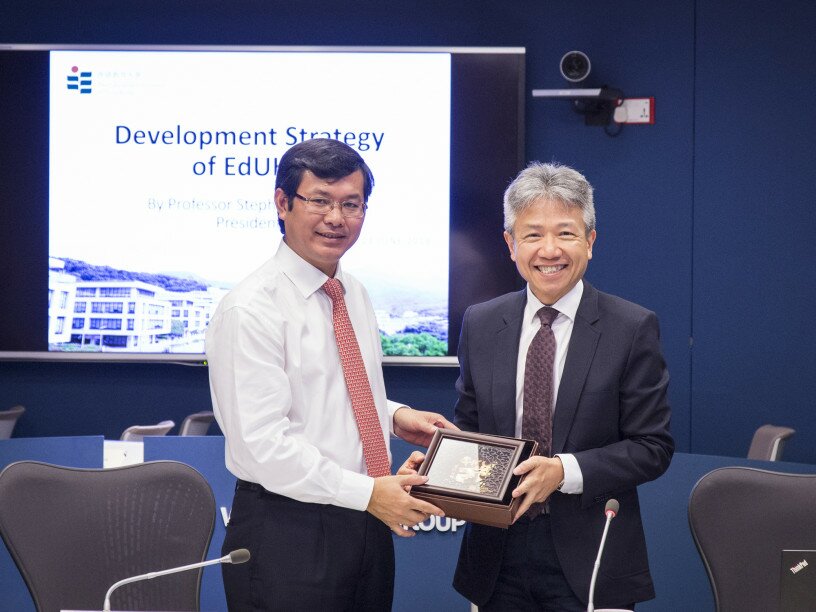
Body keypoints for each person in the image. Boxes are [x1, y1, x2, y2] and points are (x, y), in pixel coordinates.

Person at [206, 138, 453, 611]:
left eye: (351, 204)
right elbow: (262, 445)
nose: (336, 218)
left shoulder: (350, 291)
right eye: (319, 200)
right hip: (287, 531)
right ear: (282, 203)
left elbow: (329, 391)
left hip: (363, 520)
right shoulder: (249, 309)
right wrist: (368, 495)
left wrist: (395, 415)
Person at [451, 162, 674, 611]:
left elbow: (653, 446)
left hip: (592, 554)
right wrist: (443, 476)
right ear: (510, 244)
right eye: (532, 235)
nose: (549, 250)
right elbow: (472, 433)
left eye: (566, 233)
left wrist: (563, 471)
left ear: (590, 241)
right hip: (496, 557)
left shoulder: (630, 327)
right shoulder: (481, 322)